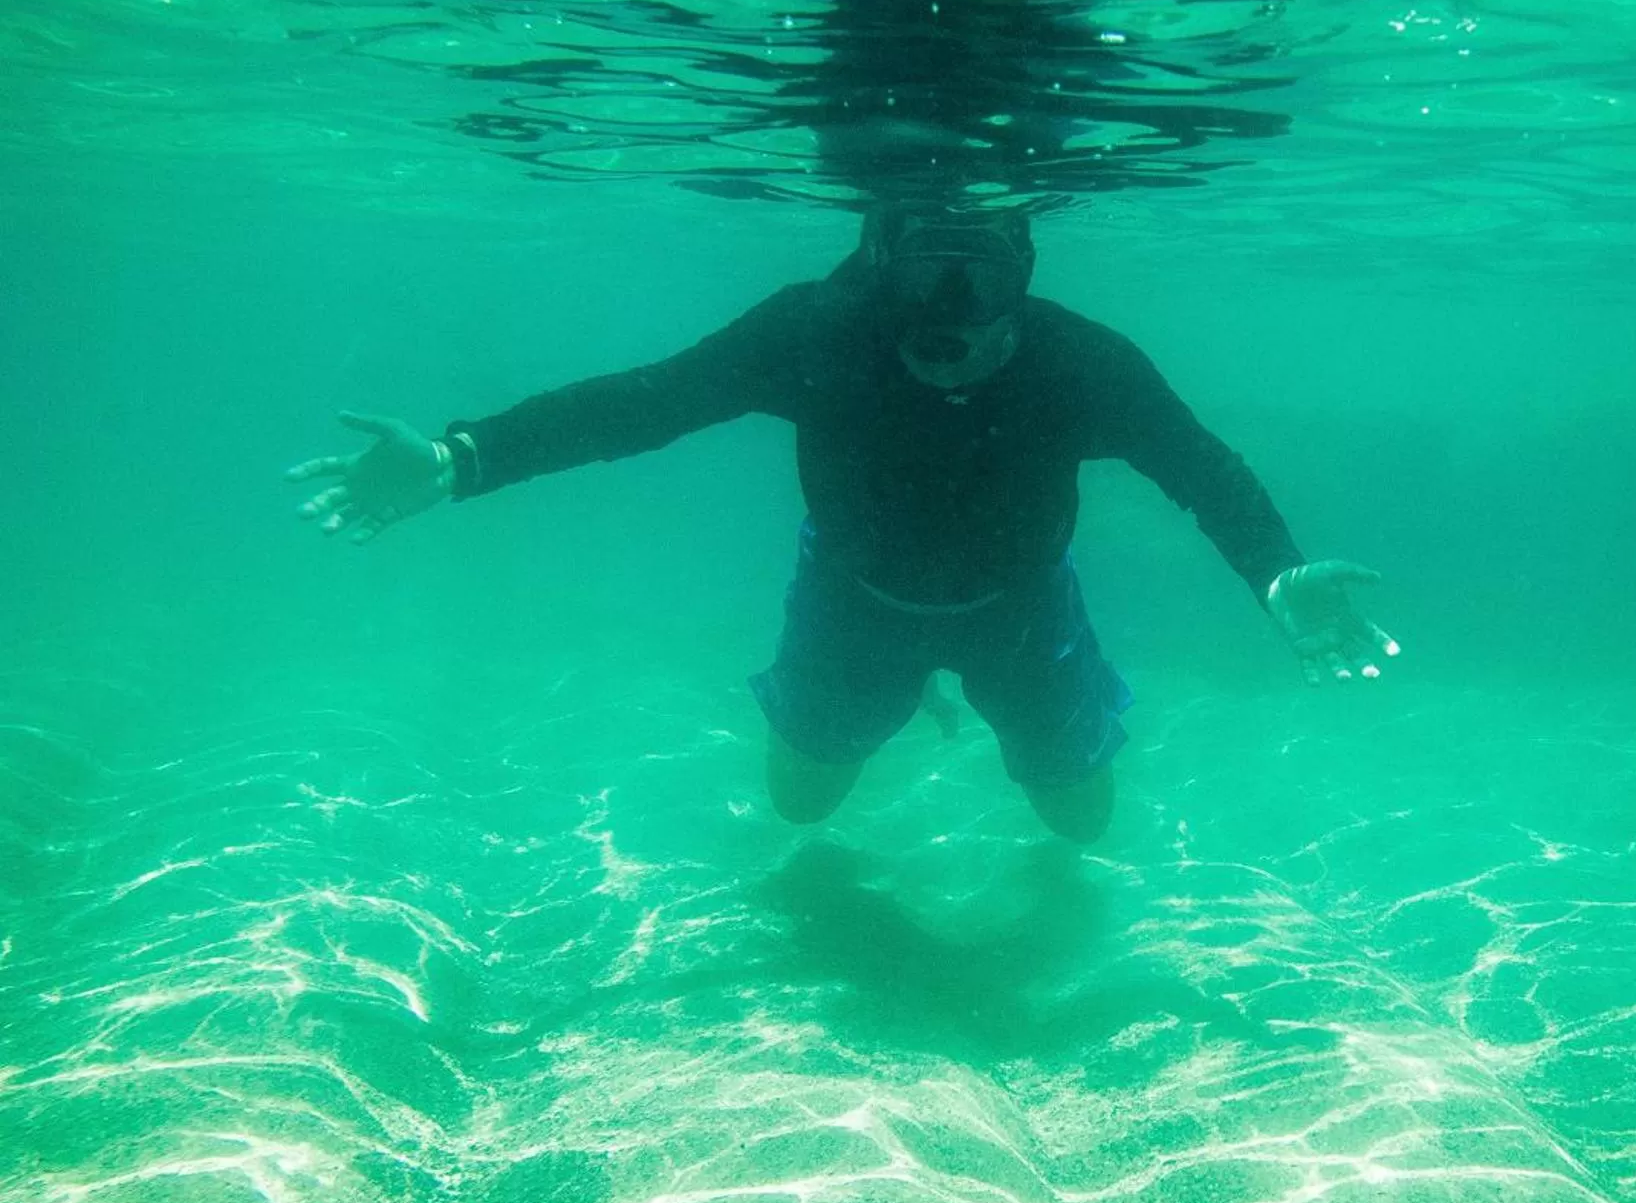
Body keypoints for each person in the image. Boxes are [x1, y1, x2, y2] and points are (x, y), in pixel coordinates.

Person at [288, 204, 1397, 842]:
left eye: (976, 333)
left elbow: (1197, 465)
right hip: (852, 601)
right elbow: (645, 404)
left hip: (1021, 603)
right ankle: (903, 695)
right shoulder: (820, 331)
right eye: (922, 335)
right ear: (881, 291)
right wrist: (458, 458)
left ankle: (954, 698)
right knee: (800, 805)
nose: (948, 352)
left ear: (1018, 296)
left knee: (1081, 824)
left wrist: (1274, 575)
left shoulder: (1078, 359)